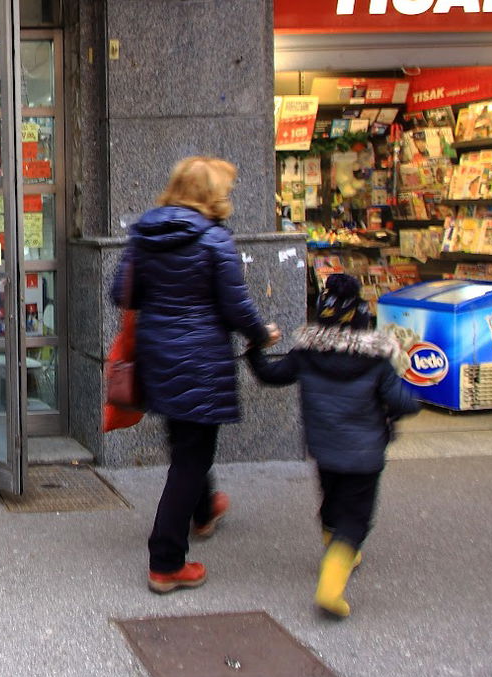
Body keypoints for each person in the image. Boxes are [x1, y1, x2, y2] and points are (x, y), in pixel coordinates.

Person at [112, 156, 278, 594]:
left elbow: (119, 292)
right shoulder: (215, 241)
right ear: (210, 194)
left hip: (156, 354)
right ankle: (166, 561)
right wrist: (263, 334)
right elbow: (236, 306)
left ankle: (203, 510)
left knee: (187, 441)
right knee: (191, 454)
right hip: (201, 358)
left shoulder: (143, 235)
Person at [246, 273, 421, 617]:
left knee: (332, 502)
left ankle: (339, 551)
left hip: (324, 448)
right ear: (361, 317)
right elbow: (403, 403)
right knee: (355, 519)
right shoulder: (376, 359)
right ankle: (332, 581)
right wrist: (410, 394)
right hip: (365, 452)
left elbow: (271, 375)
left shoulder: (307, 352)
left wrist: (254, 350)